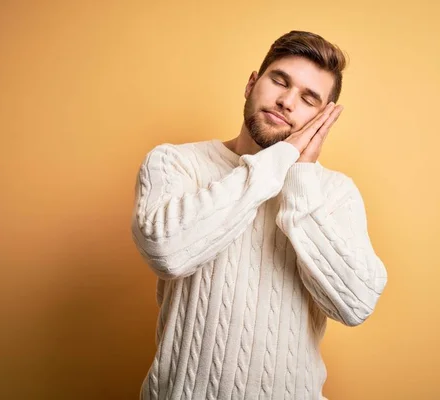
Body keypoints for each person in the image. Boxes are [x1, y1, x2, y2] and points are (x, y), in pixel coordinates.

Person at [131, 30, 388, 400]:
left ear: (324, 118)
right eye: (279, 81)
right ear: (253, 83)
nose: (286, 101)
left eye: (308, 99)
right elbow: (166, 253)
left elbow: (355, 304)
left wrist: (299, 177)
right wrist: (277, 162)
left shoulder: (335, 193)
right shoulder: (175, 162)